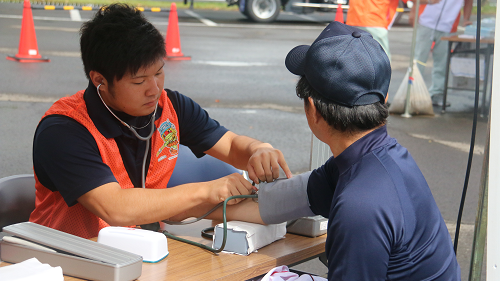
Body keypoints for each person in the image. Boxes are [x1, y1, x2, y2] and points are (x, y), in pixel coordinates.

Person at [175, 21, 460, 280]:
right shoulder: (374, 159)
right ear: (382, 99)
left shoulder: (360, 204)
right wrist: (185, 208)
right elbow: (272, 205)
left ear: (313, 110)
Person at [29, 3, 292, 239]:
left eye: (159, 72)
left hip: (144, 252)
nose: (154, 89)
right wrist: (208, 192)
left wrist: (258, 150)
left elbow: (232, 145)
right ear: (100, 81)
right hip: (67, 259)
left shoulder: (171, 107)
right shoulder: (64, 129)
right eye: (139, 81)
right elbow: (116, 208)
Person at [410, 0, 473, 105]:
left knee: (442, 62)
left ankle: (437, 94)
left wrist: (466, 19)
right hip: (425, 21)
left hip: (448, 26)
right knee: (418, 60)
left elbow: (469, 1)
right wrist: (415, 9)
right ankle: (412, 91)